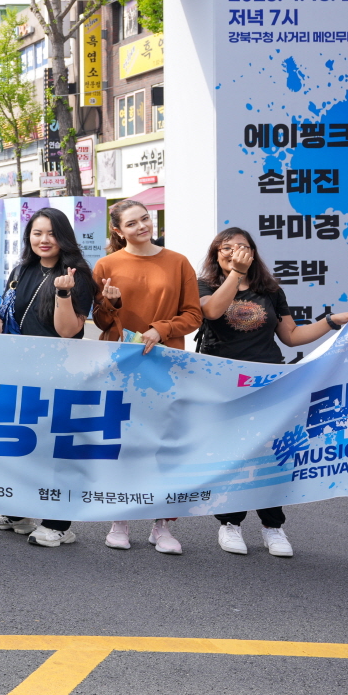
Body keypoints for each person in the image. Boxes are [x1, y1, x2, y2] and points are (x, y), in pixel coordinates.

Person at [196, 228, 348, 558]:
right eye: (226, 248)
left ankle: (273, 526)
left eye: (242, 247)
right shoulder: (205, 285)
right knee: (234, 454)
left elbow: (292, 336)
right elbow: (212, 311)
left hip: (268, 380)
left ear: (253, 253)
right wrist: (236, 274)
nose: (234, 252)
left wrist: (332, 321)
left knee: (272, 453)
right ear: (216, 254)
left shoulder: (270, 291)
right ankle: (230, 523)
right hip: (224, 383)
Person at [92, 198, 203, 554]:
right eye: (132, 223)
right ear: (117, 230)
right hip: (121, 365)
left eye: (145, 218)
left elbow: (194, 315)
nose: (142, 226)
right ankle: (119, 520)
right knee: (122, 442)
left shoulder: (178, 262)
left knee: (165, 444)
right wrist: (112, 303)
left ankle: (162, 525)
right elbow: (101, 321)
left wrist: (160, 328)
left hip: (167, 364)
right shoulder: (107, 265)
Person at [0, 207, 95, 548]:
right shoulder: (21, 270)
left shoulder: (78, 275)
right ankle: (18, 511)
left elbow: (68, 331)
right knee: (20, 443)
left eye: (51, 233)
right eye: (36, 233)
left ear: (64, 237)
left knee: (54, 448)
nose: (43, 240)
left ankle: (58, 523)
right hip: (19, 371)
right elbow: (4, 319)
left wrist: (63, 293)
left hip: (58, 373)